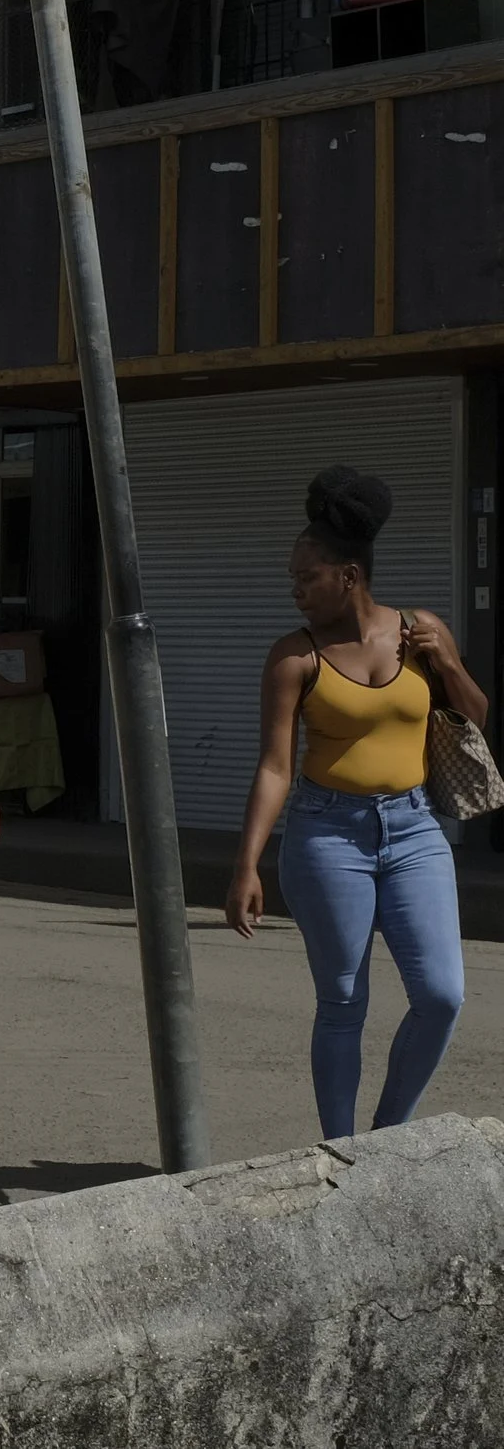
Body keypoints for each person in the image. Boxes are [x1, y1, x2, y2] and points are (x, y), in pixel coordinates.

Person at [226, 466, 484, 1140]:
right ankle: (341, 1153)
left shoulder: (419, 630)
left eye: (304, 576)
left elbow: (476, 715)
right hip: (326, 835)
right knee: (342, 1001)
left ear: (348, 575)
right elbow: (275, 767)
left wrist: (447, 664)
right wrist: (247, 863)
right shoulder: (294, 657)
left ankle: (387, 1136)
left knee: (442, 995)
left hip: (415, 830)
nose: (294, 589)